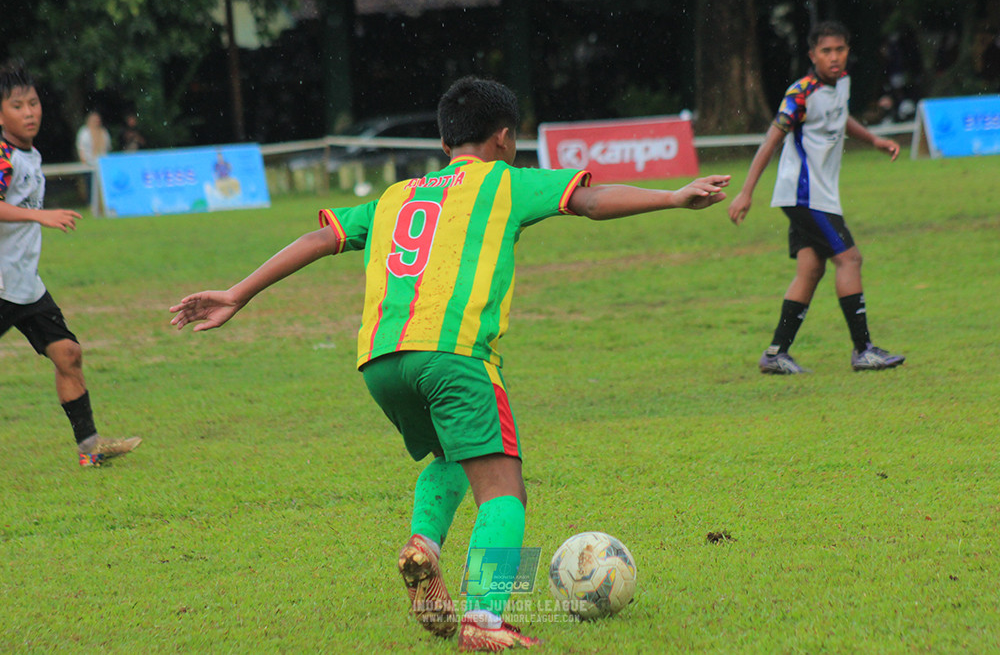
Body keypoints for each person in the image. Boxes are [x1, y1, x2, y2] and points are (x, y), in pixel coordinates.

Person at [170, 76, 729, 651]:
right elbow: (589, 200)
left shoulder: (396, 196)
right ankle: (485, 621)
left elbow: (320, 239)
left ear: (443, 144)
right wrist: (671, 197)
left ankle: (425, 547)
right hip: (455, 355)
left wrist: (237, 293)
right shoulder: (505, 181)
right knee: (504, 489)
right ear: (506, 139)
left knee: (451, 455)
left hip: (382, 361)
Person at [727, 21, 905, 375]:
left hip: (820, 195)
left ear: (847, 52)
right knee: (850, 259)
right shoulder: (800, 94)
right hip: (804, 195)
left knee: (810, 270)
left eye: (840, 50)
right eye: (826, 51)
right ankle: (863, 350)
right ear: (812, 55)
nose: (834, 57)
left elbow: (840, 119)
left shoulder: (842, 84)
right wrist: (746, 192)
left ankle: (776, 354)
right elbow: (770, 142)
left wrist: (874, 141)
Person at [0, 60, 142, 466]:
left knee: (68, 354)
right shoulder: (3, 155)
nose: (29, 112)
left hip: (24, 284)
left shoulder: (29, 154)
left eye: (33, 103)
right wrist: (39, 215)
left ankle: (89, 449)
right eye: (17, 105)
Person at [75, 109, 110, 203]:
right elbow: (81, 148)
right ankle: (91, 203)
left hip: (102, 164)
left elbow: (107, 148)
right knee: (90, 185)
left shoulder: (103, 132)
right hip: (89, 164)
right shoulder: (84, 132)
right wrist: (84, 161)